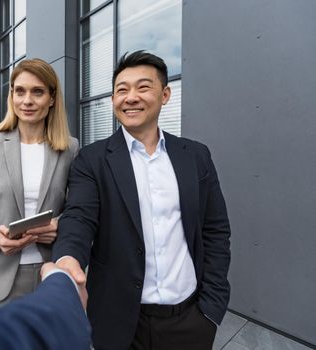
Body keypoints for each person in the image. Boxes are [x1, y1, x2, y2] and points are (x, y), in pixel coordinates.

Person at [53, 50, 231, 350]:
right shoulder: (92, 160)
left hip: (190, 320)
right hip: (119, 324)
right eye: (121, 90)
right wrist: (68, 258)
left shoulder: (196, 156)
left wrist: (210, 310)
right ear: (113, 101)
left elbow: (215, 230)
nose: (130, 97)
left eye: (143, 87)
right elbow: (79, 217)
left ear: (165, 94)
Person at [0, 58, 79, 309]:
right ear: (11, 95)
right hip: (0, 275)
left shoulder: (70, 148)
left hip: (52, 270)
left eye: (38, 92)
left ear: (52, 98)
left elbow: (80, 210)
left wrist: (60, 225)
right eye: (19, 91)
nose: (27, 101)